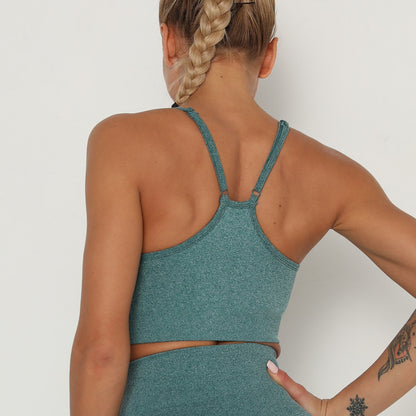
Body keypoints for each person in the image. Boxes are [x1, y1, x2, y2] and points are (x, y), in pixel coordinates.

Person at [69, 0, 416, 415]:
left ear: (168, 41)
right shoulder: (329, 174)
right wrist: (340, 411)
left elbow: (101, 352)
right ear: (268, 56)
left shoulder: (122, 143)